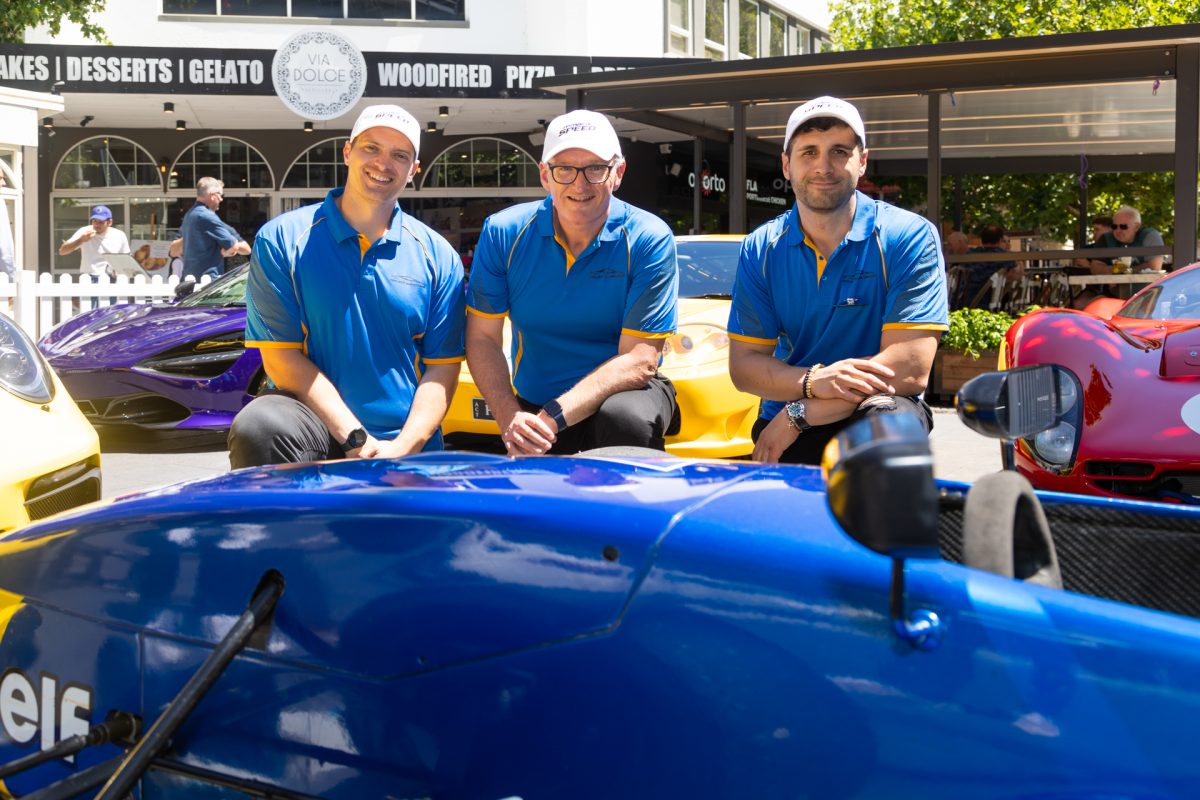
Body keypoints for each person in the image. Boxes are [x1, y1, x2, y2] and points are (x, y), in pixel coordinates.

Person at [227, 104, 466, 468]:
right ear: (348, 151)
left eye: (399, 155)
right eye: (371, 147)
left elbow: (442, 368)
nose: (383, 163)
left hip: (405, 442)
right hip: (315, 431)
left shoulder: (438, 256)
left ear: (413, 170)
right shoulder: (283, 239)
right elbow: (281, 357)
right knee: (260, 422)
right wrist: (356, 439)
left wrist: (404, 445)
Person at [728, 95, 949, 465]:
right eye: (808, 152)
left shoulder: (907, 235)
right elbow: (744, 367)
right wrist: (813, 383)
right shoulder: (761, 247)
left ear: (862, 161)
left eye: (839, 151)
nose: (823, 166)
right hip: (789, 415)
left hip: (870, 407)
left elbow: (910, 369)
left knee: (889, 423)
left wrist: (804, 411)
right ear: (786, 165)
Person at [466, 109, 679, 456]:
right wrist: (510, 418)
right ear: (545, 175)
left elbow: (641, 360)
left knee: (625, 417)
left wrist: (552, 417)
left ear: (618, 173)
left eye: (595, 168)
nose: (579, 185)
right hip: (535, 403)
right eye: (564, 169)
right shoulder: (504, 233)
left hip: (623, 395)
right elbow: (481, 338)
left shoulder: (647, 237)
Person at [177, 177, 250, 281]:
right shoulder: (207, 216)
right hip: (207, 281)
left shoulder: (189, 215)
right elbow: (233, 245)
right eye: (220, 194)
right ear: (212, 195)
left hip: (190, 279)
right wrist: (227, 252)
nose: (221, 199)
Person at [1079, 205, 1164, 273]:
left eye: (1123, 226)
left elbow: (1154, 267)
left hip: (1146, 292)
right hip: (1113, 292)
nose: (1118, 230)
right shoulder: (1106, 238)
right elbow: (1095, 268)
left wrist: (1122, 270)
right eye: (1114, 226)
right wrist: (1119, 270)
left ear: (1136, 227)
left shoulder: (1149, 236)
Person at [955, 224, 1017, 309]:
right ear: (999, 240)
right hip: (992, 300)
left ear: (982, 240)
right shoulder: (1004, 257)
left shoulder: (970, 255)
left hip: (967, 300)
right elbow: (1014, 274)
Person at [57, 205, 130, 277]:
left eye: (101, 222)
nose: (96, 225)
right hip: (89, 277)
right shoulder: (84, 231)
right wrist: (81, 240)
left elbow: (126, 258)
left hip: (112, 278)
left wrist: (119, 271)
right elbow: (62, 251)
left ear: (109, 222)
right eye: (94, 221)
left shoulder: (119, 235)